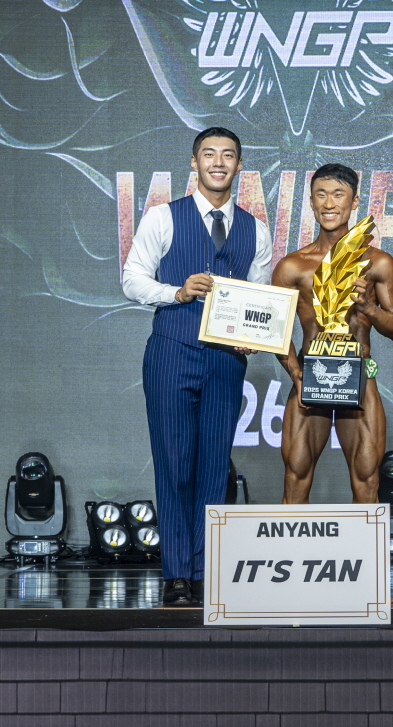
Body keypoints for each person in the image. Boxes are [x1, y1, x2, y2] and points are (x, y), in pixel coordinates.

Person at [122, 126, 272, 607]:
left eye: (228, 155)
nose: (218, 162)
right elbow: (132, 279)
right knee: (175, 463)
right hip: (172, 351)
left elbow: (259, 298)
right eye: (209, 154)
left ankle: (205, 571)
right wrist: (177, 292)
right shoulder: (163, 217)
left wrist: (255, 336)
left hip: (226, 360)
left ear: (239, 166)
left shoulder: (255, 229)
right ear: (194, 162)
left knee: (214, 467)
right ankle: (177, 573)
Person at [273, 164, 393, 504]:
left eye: (338, 195)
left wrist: (369, 308)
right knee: (295, 476)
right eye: (321, 195)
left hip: (358, 373)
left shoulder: (378, 263)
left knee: (367, 479)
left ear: (354, 201)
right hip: (310, 373)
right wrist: (295, 373)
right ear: (311, 202)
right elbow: (276, 330)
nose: (329, 203)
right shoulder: (292, 266)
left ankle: (364, 544)